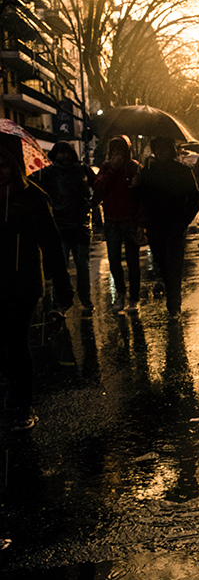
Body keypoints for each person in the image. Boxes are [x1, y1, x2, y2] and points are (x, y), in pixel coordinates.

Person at [1, 133, 74, 431]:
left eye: (3, 165)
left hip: (24, 281)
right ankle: (14, 386)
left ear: (14, 167)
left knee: (16, 340)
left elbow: (52, 244)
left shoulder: (32, 197)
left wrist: (62, 286)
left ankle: (24, 403)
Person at [134, 137, 199, 320]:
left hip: (175, 225)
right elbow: (141, 198)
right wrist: (136, 185)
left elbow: (195, 199)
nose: (161, 152)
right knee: (163, 265)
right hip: (155, 226)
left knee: (174, 266)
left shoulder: (183, 171)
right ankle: (173, 300)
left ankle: (174, 305)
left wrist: (183, 221)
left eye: (164, 148)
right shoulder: (148, 172)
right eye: (158, 149)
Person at [30, 140, 96, 315]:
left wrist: (91, 204)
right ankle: (60, 303)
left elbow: (98, 186)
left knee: (82, 266)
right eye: (61, 152)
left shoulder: (82, 170)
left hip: (80, 226)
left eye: (67, 152)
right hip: (59, 226)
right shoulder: (47, 173)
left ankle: (84, 300)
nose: (65, 156)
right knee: (60, 267)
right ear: (55, 154)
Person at [93, 135, 143, 312]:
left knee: (132, 261)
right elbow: (98, 191)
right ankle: (120, 294)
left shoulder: (134, 167)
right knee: (114, 261)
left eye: (120, 150)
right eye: (113, 151)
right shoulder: (106, 168)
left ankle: (134, 298)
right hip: (112, 221)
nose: (117, 154)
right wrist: (112, 171)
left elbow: (141, 199)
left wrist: (140, 224)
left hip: (129, 220)